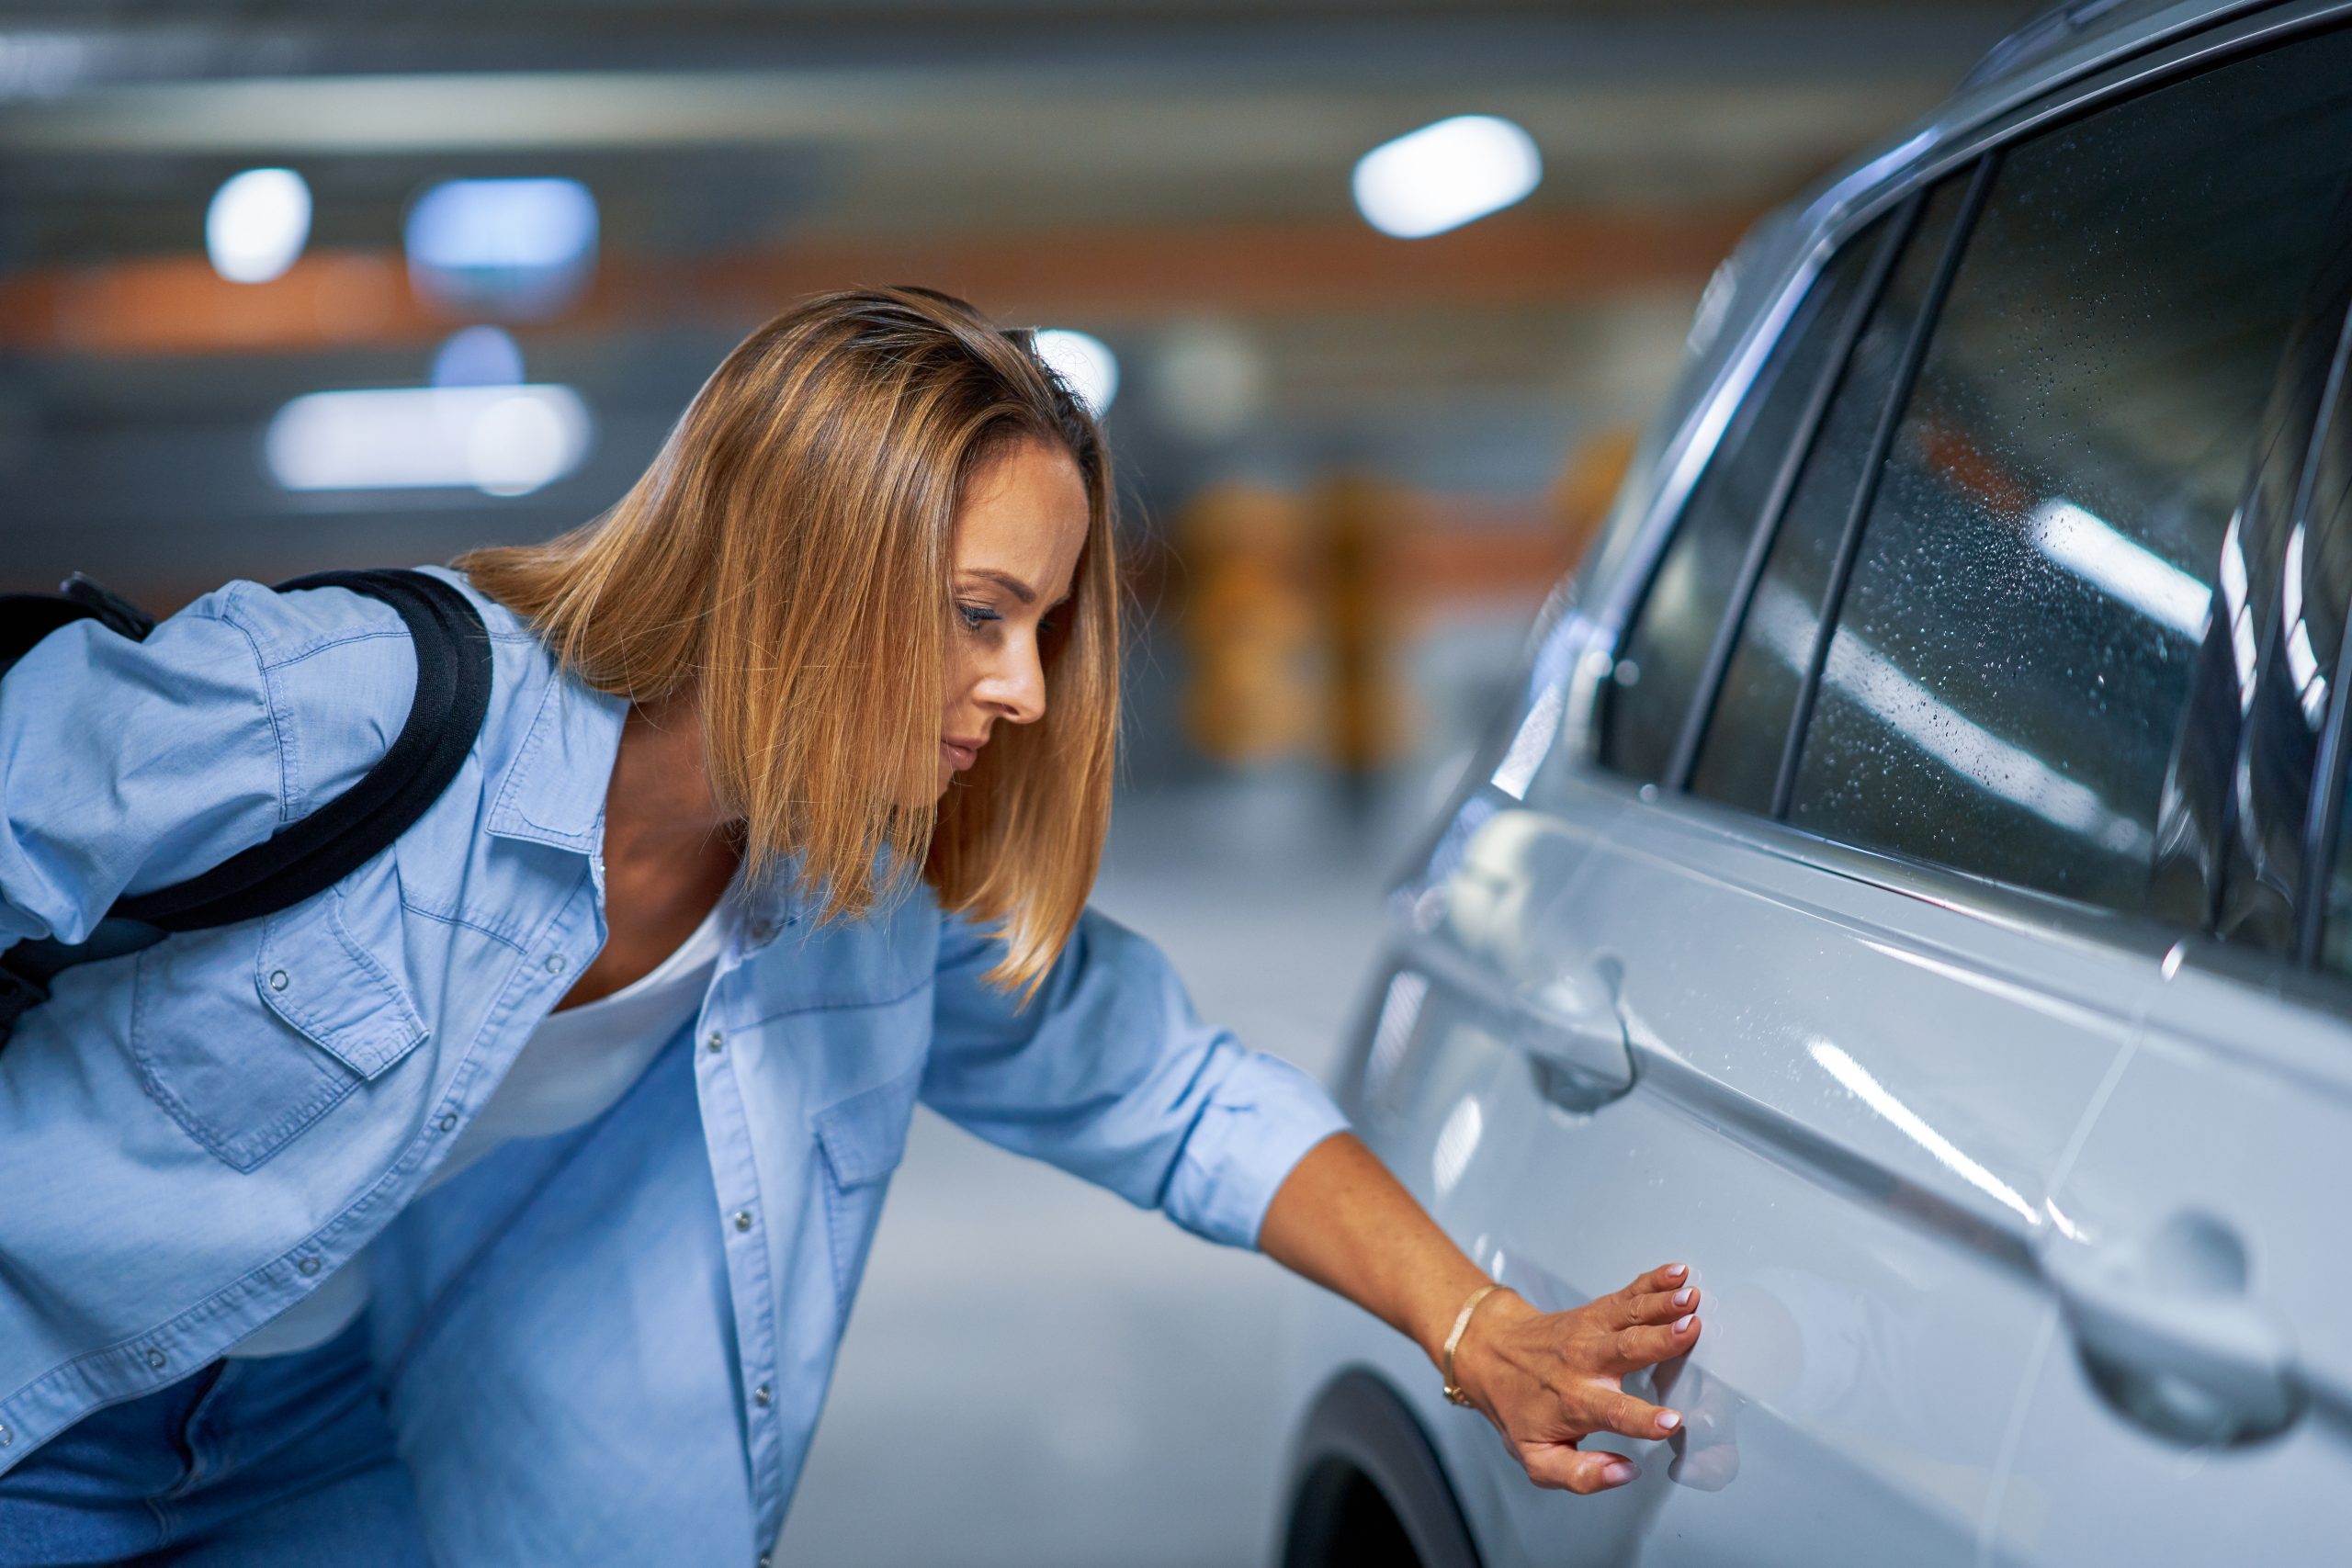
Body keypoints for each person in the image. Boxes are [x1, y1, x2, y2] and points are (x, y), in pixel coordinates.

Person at [0, 287, 1702, 1566]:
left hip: (305, 1441)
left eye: (1039, 627)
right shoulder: (357, 705)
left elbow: (1165, 1091)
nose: (1025, 692)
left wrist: (1480, 1327)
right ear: (798, 560)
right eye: (981, 616)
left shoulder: (848, 896)